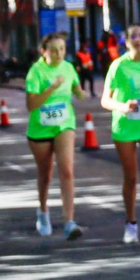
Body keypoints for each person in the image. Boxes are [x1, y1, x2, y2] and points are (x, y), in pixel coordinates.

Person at [101, 24, 140, 244]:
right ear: (127, 42)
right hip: (125, 126)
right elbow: (105, 100)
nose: (138, 39)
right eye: (133, 36)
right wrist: (122, 106)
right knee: (131, 177)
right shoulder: (118, 66)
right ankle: (130, 223)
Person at [25, 32, 87, 240]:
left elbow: (76, 87)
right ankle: (43, 212)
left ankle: (69, 222)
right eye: (53, 50)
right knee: (45, 174)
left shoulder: (68, 68)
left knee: (67, 171)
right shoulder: (36, 72)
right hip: (40, 128)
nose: (58, 53)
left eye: (62, 49)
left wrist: (81, 93)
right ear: (44, 51)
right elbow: (31, 105)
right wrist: (52, 87)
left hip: (64, 124)